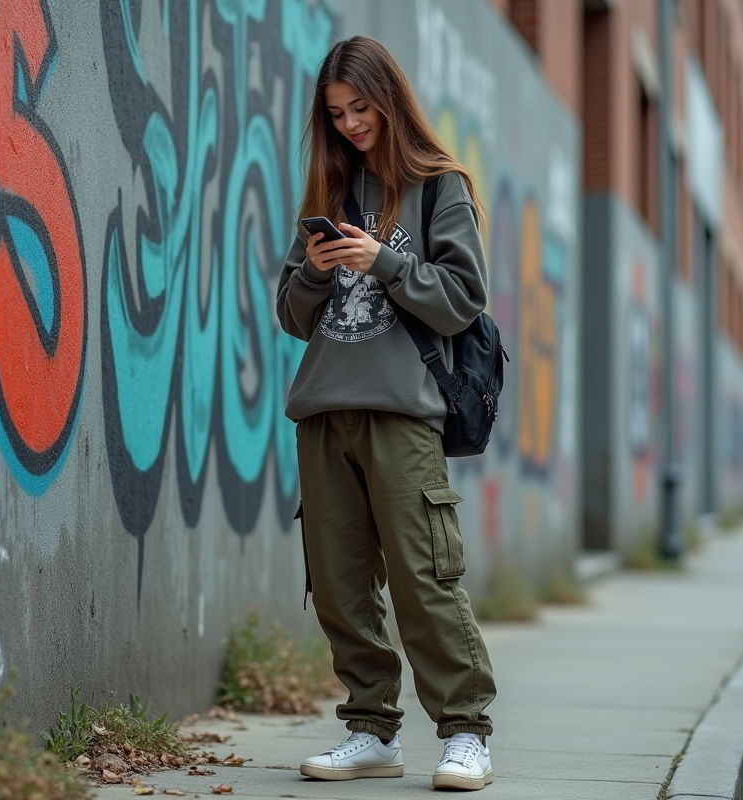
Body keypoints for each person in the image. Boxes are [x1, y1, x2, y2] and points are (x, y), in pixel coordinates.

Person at [275, 35, 496, 792]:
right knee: (340, 586)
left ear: (390, 99)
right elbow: (292, 316)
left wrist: (386, 261)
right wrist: (315, 269)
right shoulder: (330, 192)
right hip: (323, 411)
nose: (350, 124)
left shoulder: (439, 187)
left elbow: (463, 298)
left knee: (424, 578)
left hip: (403, 410)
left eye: (361, 107)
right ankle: (371, 731)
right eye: (337, 113)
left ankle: (465, 734)